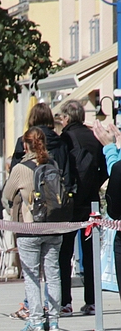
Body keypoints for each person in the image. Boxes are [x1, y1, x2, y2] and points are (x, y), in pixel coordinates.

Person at [2, 127, 63, 331]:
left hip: (29, 228)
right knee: (53, 275)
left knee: (32, 276)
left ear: (25, 145)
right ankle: (54, 322)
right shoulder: (53, 164)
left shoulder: (20, 168)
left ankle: (36, 322)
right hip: (53, 226)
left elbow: (6, 196)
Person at [58, 100, 107, 316]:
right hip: (92, 201)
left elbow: (63, 168)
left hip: (71, 202)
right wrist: (94, 185)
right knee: (90, 253)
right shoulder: (94, 137)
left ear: (67, 117)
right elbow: (104, 168)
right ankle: (92, 300)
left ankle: (65, 302)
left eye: (62, 117)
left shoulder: (66, 138)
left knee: (65, 252)